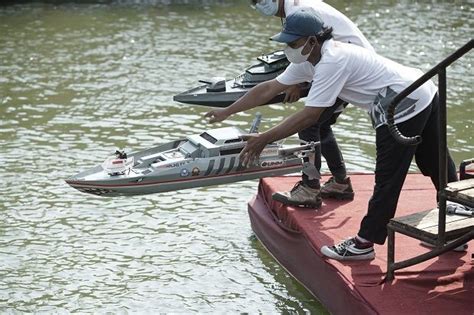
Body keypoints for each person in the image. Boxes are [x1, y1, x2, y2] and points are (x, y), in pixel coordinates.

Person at [205, 7, 458, 260]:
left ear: (312, 41)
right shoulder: (308, 60)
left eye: (293, 43)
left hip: (403, 101)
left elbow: (310, 116)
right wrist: (227, 111)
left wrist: (263, 139)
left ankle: (364, 243)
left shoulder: (332, 61)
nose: (288, 49)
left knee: (388, 177)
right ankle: (457, 219)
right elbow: (269, 88)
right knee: (434, 158)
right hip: (421, 86)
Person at [222, 0, 375, 208]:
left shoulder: (299, 12)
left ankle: (310, 189)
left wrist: (264, 138)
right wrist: (228, 110)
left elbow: (315, 44)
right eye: (254, 2)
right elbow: (272, 84)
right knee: (321, 124)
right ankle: (340, 183)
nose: (259, 5)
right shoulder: (294, 12)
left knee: (309, 123)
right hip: (337, 64)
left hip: (348, 68)